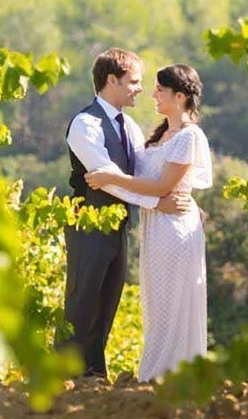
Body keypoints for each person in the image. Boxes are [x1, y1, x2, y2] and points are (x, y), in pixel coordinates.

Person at [62, 48, 188, 379]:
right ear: (111, 80)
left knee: (106, 303)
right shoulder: (85, 124)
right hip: (87, 223)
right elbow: (108, 179)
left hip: (118, 226)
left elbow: (139, 174)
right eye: (133, 81)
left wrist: (181, 195)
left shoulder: (129, 126)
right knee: (81, 300)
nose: (140, 89)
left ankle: (93, 374)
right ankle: (63, 375)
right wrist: (156, 204)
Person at [85, 64, 212, 382]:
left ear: (180, 96)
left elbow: (161, 186)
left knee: (172, 302)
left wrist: (111, 178)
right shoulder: (159, 135)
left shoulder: (188, 136)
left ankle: (169, 373)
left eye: (160, 90)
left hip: (175, 228)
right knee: (157, 303)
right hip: (156, 226)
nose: (153, 95)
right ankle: (156, 372)